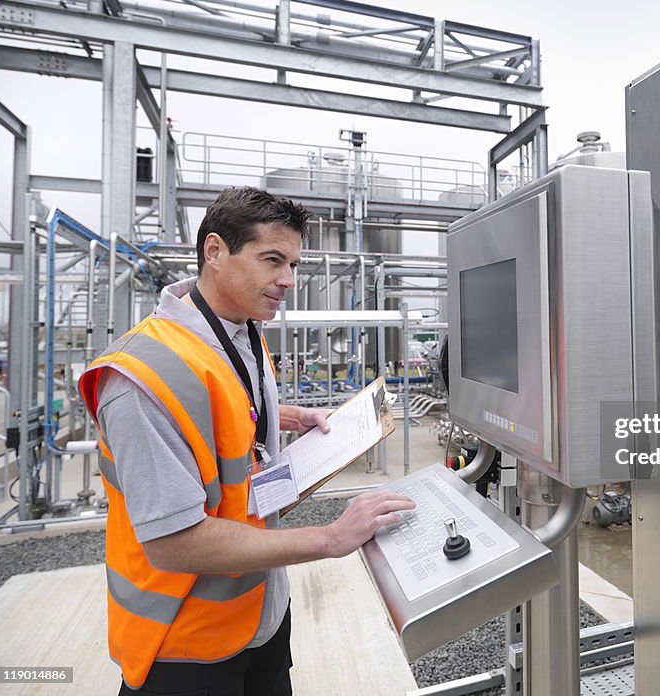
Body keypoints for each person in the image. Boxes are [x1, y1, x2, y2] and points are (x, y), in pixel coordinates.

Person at [78, 187, 414, 695]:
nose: (289, 280)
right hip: (186, 645)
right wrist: (330, 538)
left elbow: (229, 409)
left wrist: (287, 416)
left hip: (261, 612)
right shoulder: (138, 381)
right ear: (215, 251)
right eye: (273, 260)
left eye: (294, 264)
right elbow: (172, 543)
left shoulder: (241, 330)